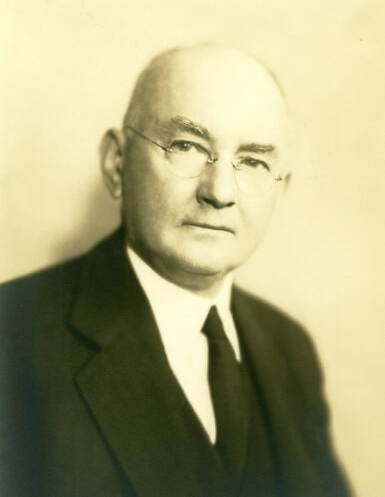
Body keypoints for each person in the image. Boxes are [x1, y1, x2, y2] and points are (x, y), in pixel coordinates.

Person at [0, 44, 350, 496]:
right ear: (117, 163)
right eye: (186, 146)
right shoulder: (11, 337)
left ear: (281, 188)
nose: (220, 192)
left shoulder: (289, 349)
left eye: (253, 161)